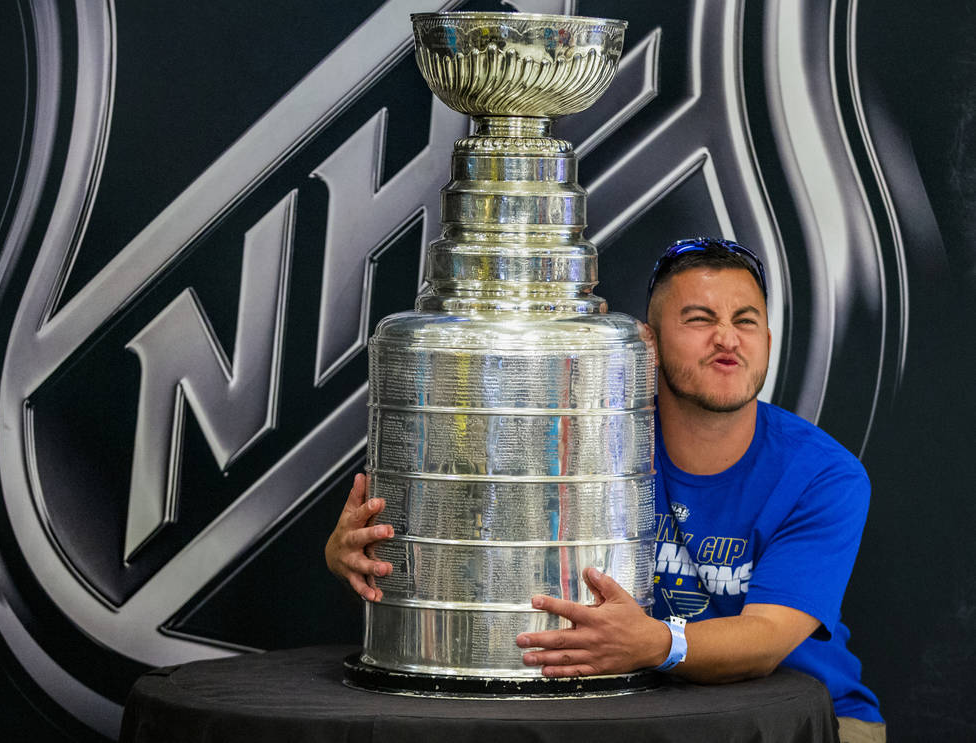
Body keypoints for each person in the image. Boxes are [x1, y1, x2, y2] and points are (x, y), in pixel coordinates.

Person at [325, 238, 884, 742]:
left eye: (745, 320)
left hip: (807, 722)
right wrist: (365, 550)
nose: (726, 339)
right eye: (699, 318)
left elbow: (764, 640)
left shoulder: (822, 474)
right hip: (635, 714)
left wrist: (656, 644)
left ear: (767, 338)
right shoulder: (582, 441)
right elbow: (479, 550)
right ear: (650, 341)